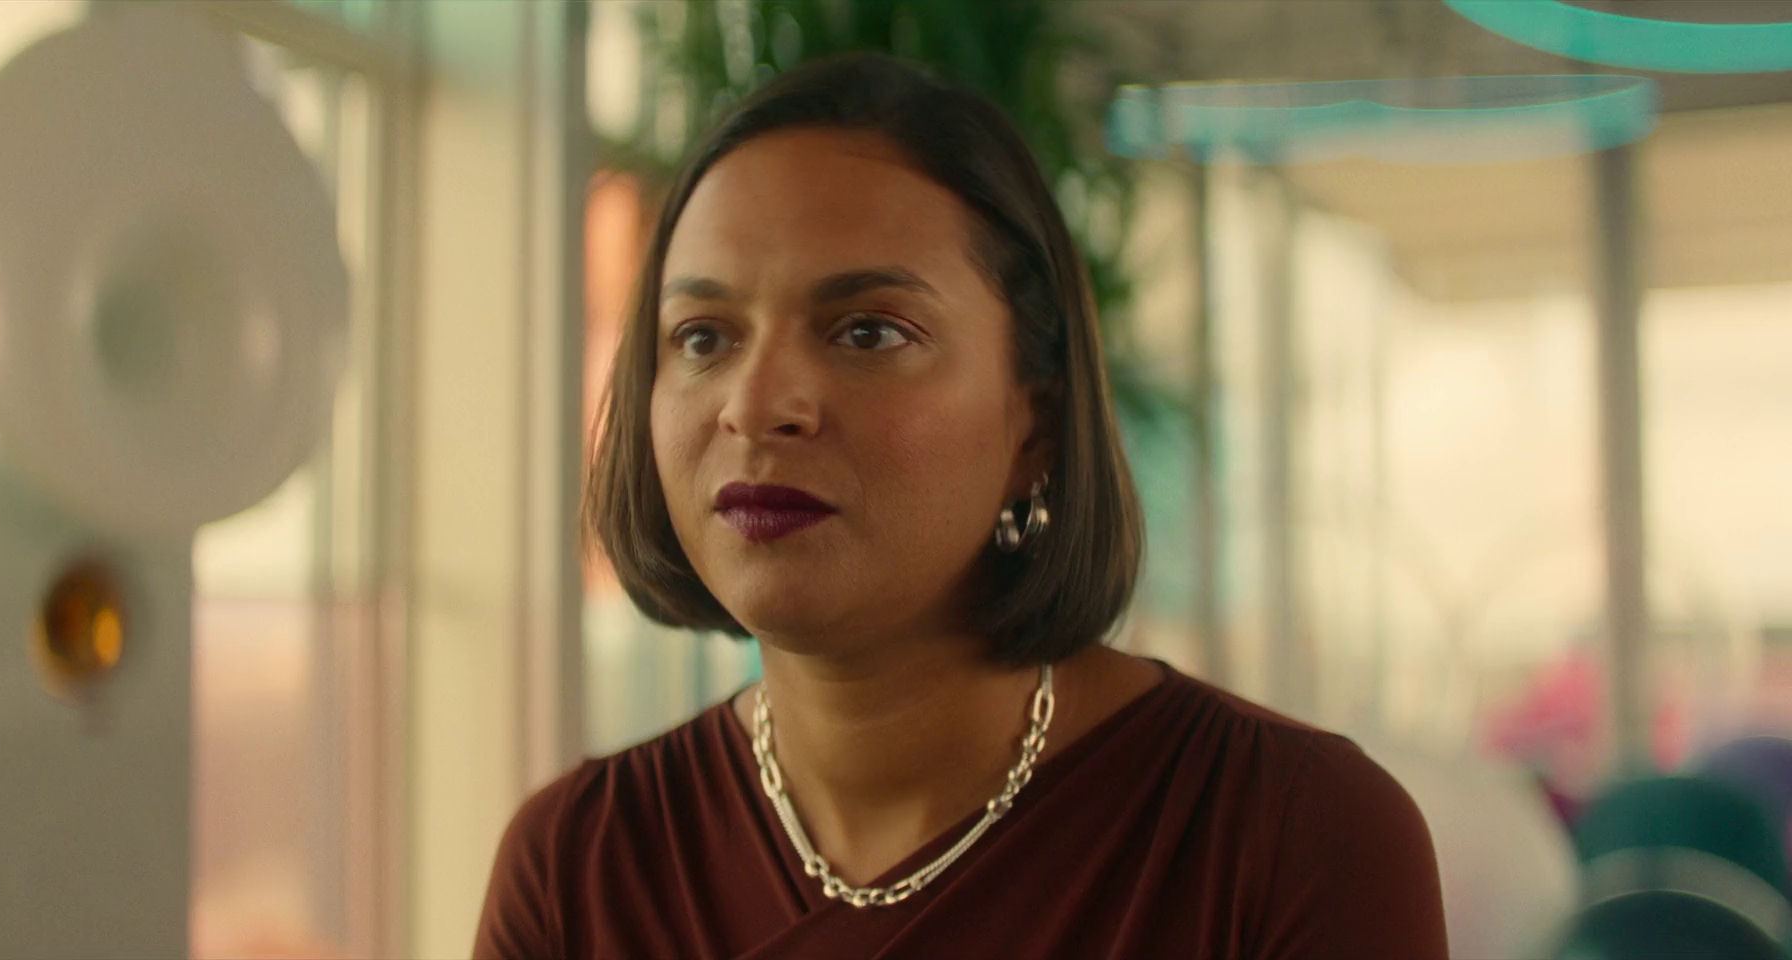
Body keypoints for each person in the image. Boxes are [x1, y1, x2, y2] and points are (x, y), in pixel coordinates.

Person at [475, 53, 1446, 960]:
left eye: (867, 332)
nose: (757, 404)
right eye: (702, 337)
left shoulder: (1292, 837)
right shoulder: (579, 869)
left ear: (1035, 426)